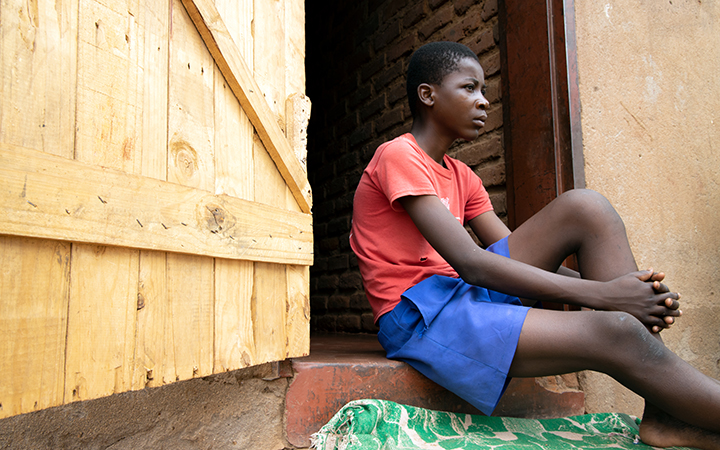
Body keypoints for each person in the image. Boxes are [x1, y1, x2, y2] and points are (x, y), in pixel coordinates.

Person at [349, 41, 720, 449]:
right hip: (419, 316)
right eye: (469, 88)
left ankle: (665, 414)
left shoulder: (462, 176)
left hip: (462, 294)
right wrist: (604, 295)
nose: (483, 102)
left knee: (586, 208)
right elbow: (473, 263)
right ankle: (670, 410)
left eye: (484, 91)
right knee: (616, 329)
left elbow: (505, 252)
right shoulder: (398, 155)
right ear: (428, 94)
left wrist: (628, 292)